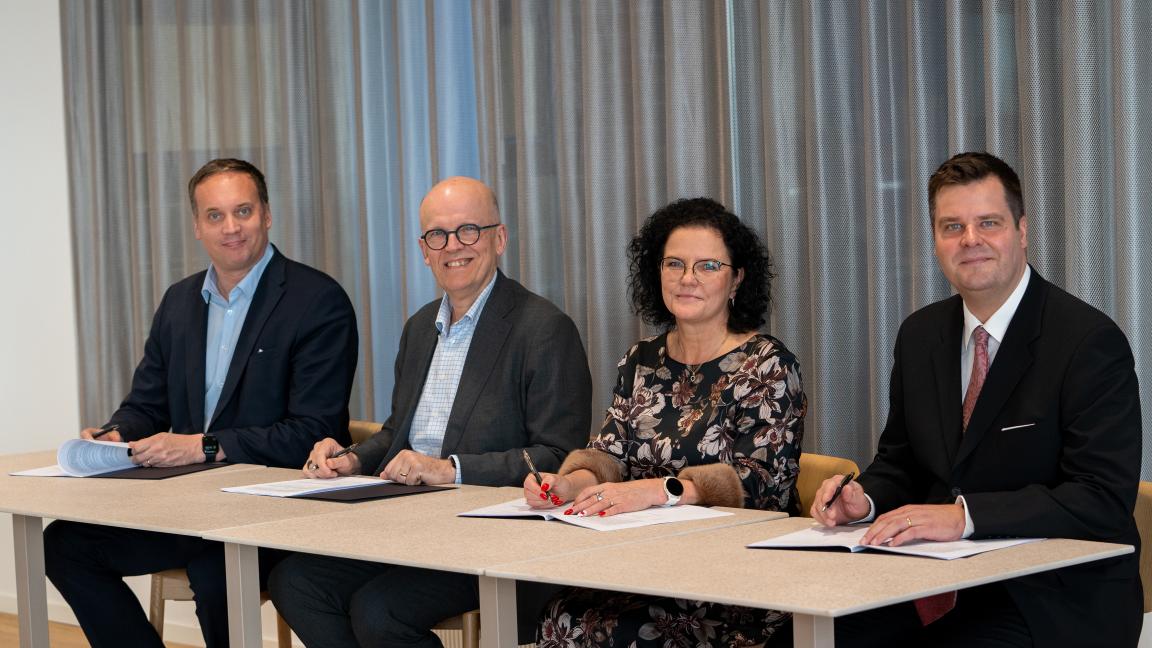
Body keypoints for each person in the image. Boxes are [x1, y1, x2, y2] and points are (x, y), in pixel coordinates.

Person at [811, 152, 1143, 647]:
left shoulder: (1088, 341)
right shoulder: (920, 335)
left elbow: (1101, 497)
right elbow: (902, 461)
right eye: (952, 226)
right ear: (935, 240)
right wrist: (864, 500)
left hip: (1051, 595)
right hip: (928, 579)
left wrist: (965, 516)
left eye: (989, 222)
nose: (970, 239)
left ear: (1022, 231)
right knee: (806, 637)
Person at [44, 158, 359, 648]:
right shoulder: (179, 301)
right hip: (188, 506)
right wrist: (116, 432)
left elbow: (312, 429)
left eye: (243, 211)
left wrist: (204, 446)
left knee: (217, 574)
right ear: (196, 226)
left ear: (267, 214)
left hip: (274, 509)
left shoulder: (317, 300)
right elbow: (147, 404)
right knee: (63, 545)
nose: (231, 227)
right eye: (215, 215)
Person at [268, 176, 593, 648]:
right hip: (406, 525)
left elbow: (558, 456)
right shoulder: (420, 327)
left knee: (378, 611)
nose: (453, 246)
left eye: (469, 230)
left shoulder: (544, 329)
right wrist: (352, 459)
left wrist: (449, 469)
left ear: (499, 238)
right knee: (295, 582)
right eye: (438, 235)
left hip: (488, 533)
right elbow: (398, 433)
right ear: (424, 250)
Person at [525, 197, 807, 647]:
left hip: (736, 579)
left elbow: (763, 486)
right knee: (560, 615)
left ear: (737, 279)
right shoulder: (641, 359)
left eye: (708, 266)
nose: (687, 278)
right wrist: (567, 484)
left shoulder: (767, 365)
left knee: (602, 632)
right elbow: (610, 454)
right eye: (674, 263)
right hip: (644, 565)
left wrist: (661, 490)